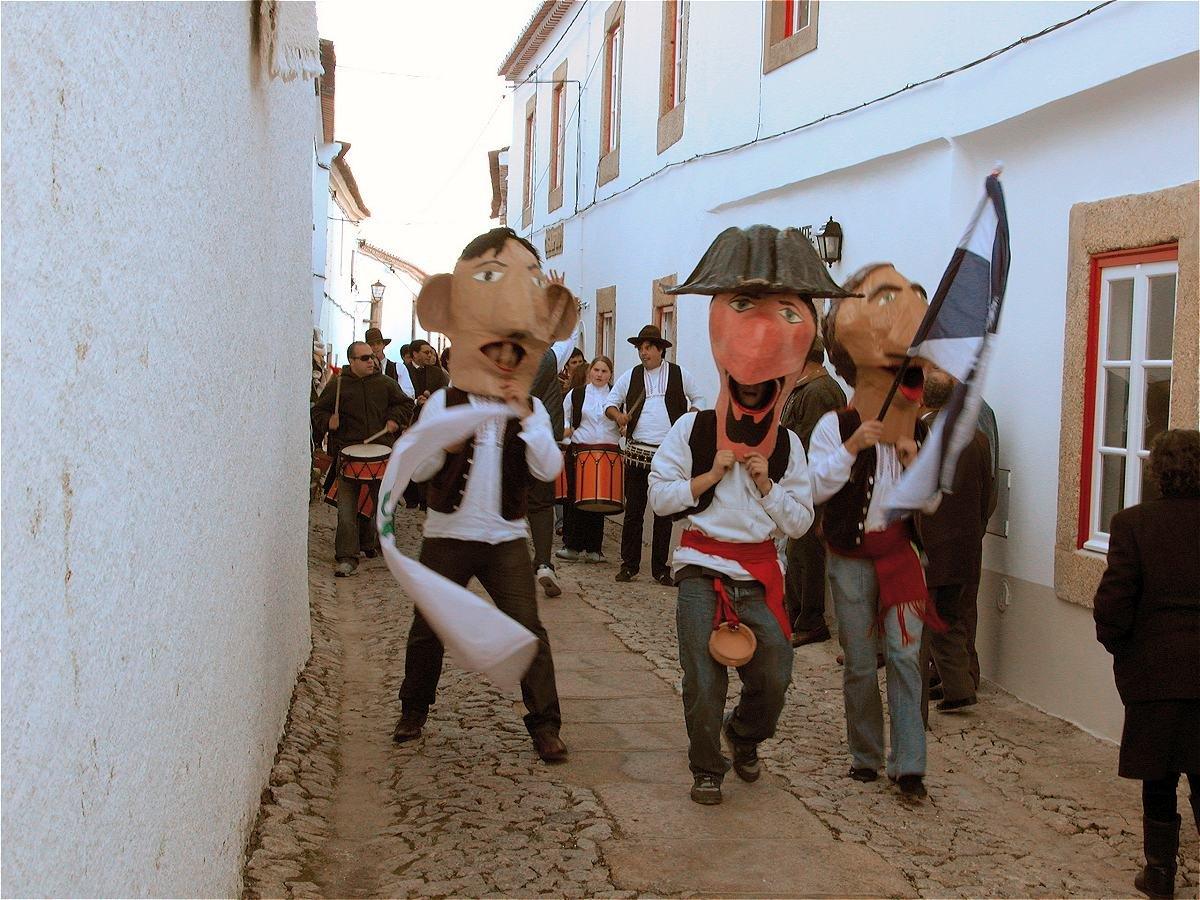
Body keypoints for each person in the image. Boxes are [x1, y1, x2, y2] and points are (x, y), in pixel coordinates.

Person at [652, 224, 844, 805]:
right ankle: (706, 766)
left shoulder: (788, 445)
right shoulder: (693, 429)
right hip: (701, 570)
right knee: (703, 683)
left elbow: (802, 523)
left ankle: (744, 735)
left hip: (760, 576)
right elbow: (662, 498)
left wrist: (764, 483)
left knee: (775, 674)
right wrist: (707, 477)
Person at [393, 226, 577, 764]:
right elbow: (421, 468)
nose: (501, 356)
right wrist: (440, 435)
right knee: (427, 631)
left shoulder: (533, 409)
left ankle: (545, 726)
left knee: (529, 632)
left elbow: (548, 469)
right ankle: (413, 709)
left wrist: (528, 419)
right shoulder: (444, 402)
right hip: (447, 535)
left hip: (503, 538)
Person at [809, 262, 944, 802]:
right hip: (849, 556)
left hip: (900, 556)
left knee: (907, 659)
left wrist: (913, 463)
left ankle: (910, 765)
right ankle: (865, 754)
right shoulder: (835, 425)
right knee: (861, 665)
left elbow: (931, 503)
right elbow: (815, 487)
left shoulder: (919, 430)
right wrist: (852, 448)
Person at [1094, 429, 1199, 900]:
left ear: (1158, 471)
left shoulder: (1133, 523)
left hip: (1155, 668)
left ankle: (1159, 873)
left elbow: (1115, 601)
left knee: (1160, 773)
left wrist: (1124, 651)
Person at [915, 367, 995, 719]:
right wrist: (975, 530)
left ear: (923, 398)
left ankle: (921, 700)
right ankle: (959, 687)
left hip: (931, 545)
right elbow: (986, 495)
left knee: (926, 622)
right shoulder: (977, 438)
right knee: (952, 618)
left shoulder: (921, 438)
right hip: (966, 545)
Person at [605, 325, 705, 585]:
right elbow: (610, 403)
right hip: (638, 451)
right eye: (640, 348)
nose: (643, 353)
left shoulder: (680, 374)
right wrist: (618, 416)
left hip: (668, 454)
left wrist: (689, 419)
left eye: (648, 347)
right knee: (634, 512)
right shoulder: (631, 376)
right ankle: (629, 565)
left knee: (663, 514)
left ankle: (661, 569)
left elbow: (700, 398)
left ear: (660, 349)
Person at [311, 341, 414, 577]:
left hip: (381, 451)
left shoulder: (386, 384)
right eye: (365, 358)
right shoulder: (338, 385)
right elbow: (318, 411)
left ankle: (381, 548)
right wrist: (329, 422)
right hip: (348, 453)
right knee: (346, 511)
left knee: (383, 506)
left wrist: (395, 420)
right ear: (352, 361)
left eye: (372, 357)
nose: (372, 361)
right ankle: (347, 557)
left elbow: (405, 404)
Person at [779, 332, 847, 647]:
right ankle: (796, 615)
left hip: (812, 484)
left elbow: (809, 444)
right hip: (802, 483)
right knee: (797, 551)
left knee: (806, 552)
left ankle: (810, 619)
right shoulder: (806, 388)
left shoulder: (819, 391)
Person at [557, 356, 619, 563]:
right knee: (574, 499)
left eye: (605, 371)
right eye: (597, 370)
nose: (600, 375)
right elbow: (565, 416)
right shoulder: (576, 394)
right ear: (590, 371)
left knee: (598, 502)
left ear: (610, 374)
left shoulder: (616, 396)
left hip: (606, 452)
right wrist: (567, 429)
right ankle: (572, 546)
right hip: (579, 450)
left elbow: (623, 421)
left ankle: (594, 549)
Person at [366, 326, 416, 401]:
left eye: (378, 343)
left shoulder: (399, 368)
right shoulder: (363, 369)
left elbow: (409, 395)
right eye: (372, 344)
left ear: (383, 345)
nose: (375, 347)